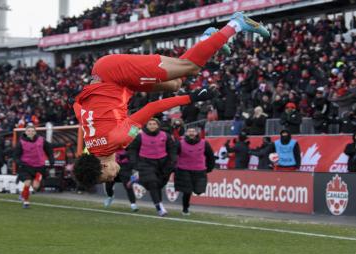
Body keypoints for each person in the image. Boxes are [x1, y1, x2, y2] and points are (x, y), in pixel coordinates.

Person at [73, 12, 270, 188]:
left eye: (108, 178)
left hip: (115, 73)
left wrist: (191, 97)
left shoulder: (118, 139)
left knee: (190, 67)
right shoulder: (92, 145)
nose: (114, 177)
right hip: (113, 80)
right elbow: (78, 107)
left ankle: (237, 23)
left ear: (104, 165)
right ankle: (207, 39)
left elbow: (153, 107)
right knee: (174, 83)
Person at [127, 118, 177, 216]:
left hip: (162, 163)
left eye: (154, 124)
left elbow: (172, 148)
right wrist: (134, 162)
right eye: (150, 124)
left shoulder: (165, 135)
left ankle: (138, 179)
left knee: (159, 184)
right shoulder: (139, 136)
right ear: (146, 125)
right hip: (145, 163)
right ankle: (159, 208)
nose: (152, 126)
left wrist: (173, 159)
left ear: (158, 125)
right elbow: (132, 149)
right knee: (152, 183)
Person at [174, 127, 215, 215]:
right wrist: (174, 167)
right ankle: (185, 208)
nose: (191, 133)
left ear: (197, 133)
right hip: (184, 170)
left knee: (199, 191)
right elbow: (173, 155)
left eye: (193, 131)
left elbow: (210, 156)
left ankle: (186, 206)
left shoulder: (204, 143)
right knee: (187, 191)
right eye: (189, 131)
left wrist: (209, 168)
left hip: (199, 170)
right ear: (186, 133)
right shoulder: (180, 143)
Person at [13, 124, 55, 208]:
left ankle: (23, 194)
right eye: (29, 131)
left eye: (32, 131)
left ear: (35, 132)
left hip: (40, 166)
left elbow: (49, 149)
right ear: (25, 132)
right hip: (26, 166)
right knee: (28, 183)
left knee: (35, 186)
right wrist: (18, 162)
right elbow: (16, 155)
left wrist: (51, 160)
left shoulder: (41, 140)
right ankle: (26, 202)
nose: (31, 132)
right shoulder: (21, 142)